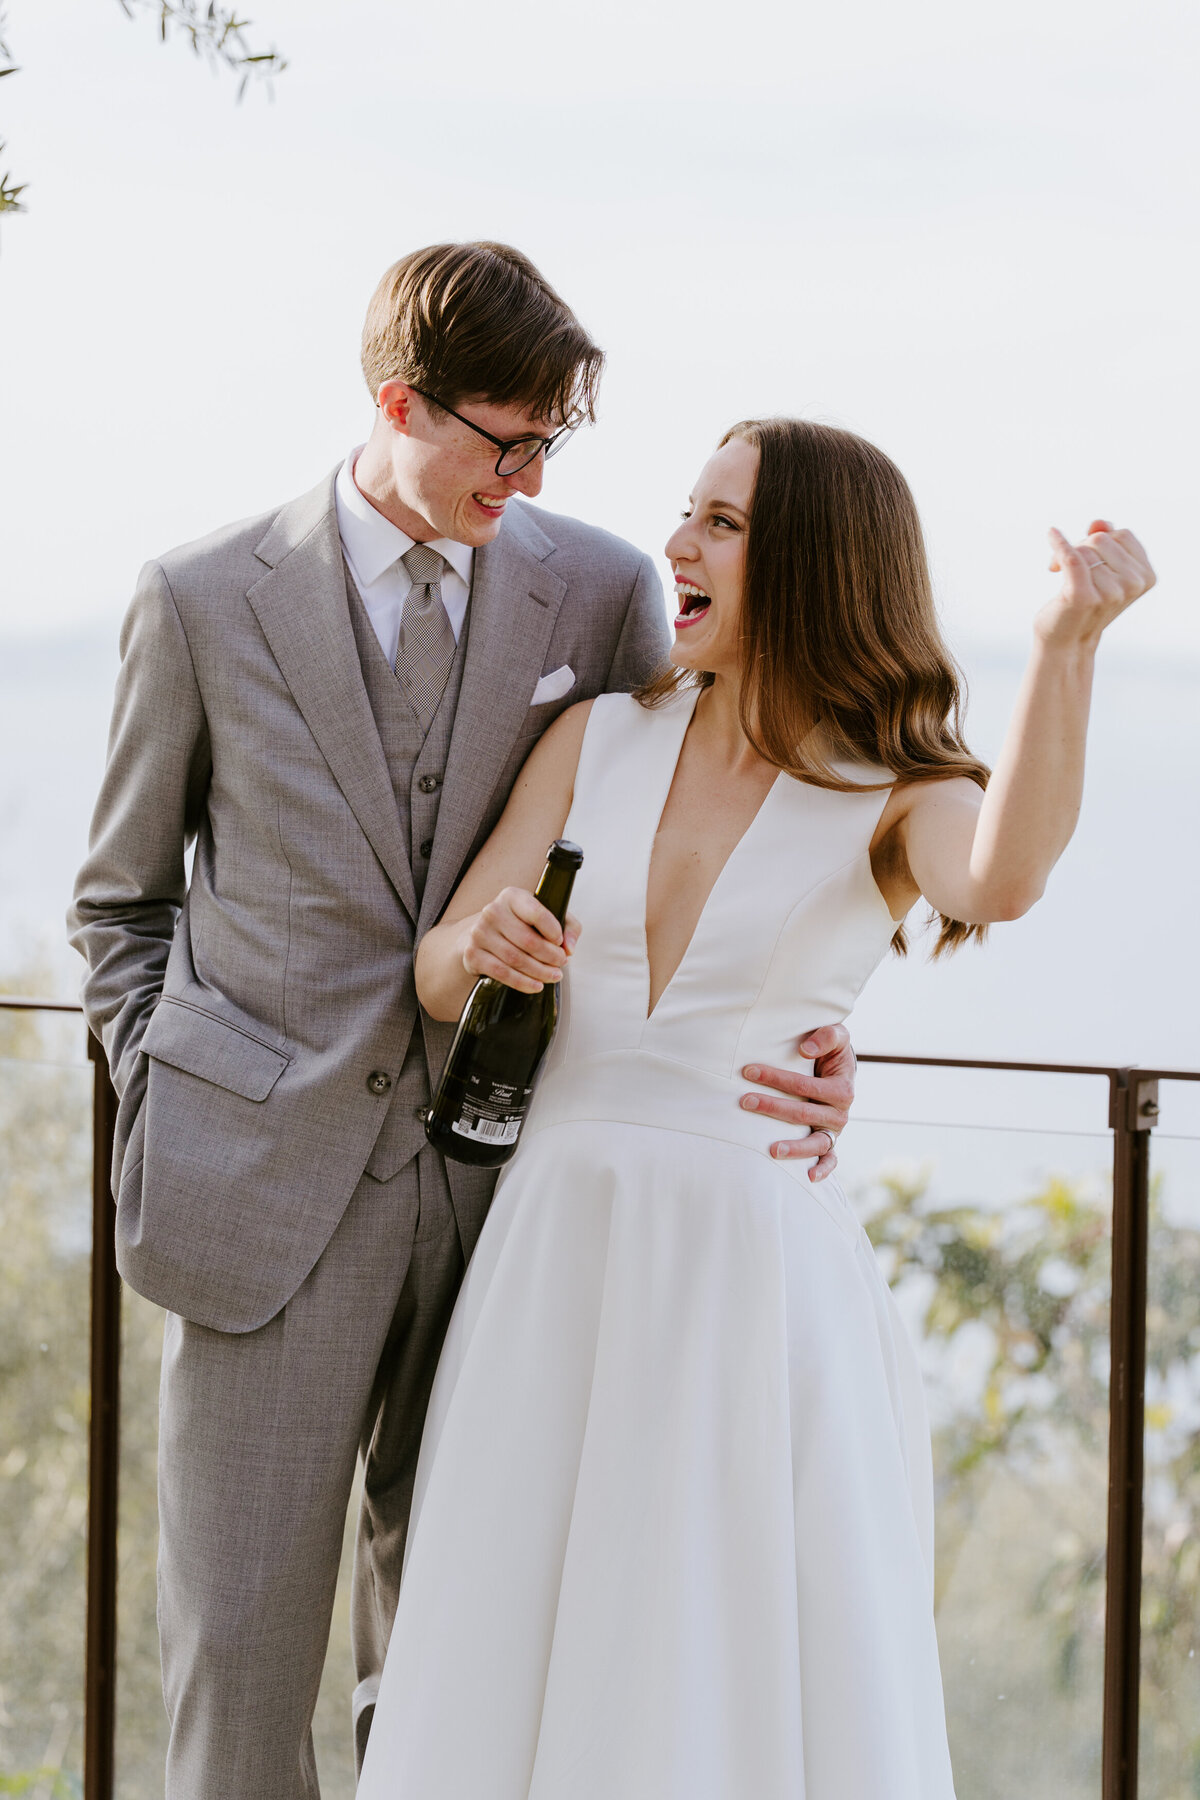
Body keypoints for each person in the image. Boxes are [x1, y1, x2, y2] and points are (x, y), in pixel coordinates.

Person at [66, 244, 858, 1798]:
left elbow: (680, 831)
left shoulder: (604, 587)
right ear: (398, 404)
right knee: (239, 1665)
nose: (533, 473)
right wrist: (174, 1098)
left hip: (515, 1201)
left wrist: (811, 1020)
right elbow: (120, 904)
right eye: (505, 440)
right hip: (259, 1193)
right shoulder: (201, 598)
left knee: (464, 1661)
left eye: (553, 443)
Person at [355, 417, 1155, 1799]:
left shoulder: (899, 790)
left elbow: (1006, 879)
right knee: (513, 1658)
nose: (677, 543)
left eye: (721, 522)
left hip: (751, 1297)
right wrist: (483, 942)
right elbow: (434, 972)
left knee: (710, 1666)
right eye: (690, 511)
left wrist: (1066, 649)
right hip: (553, 1262)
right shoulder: (594, 737)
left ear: (816, 565)